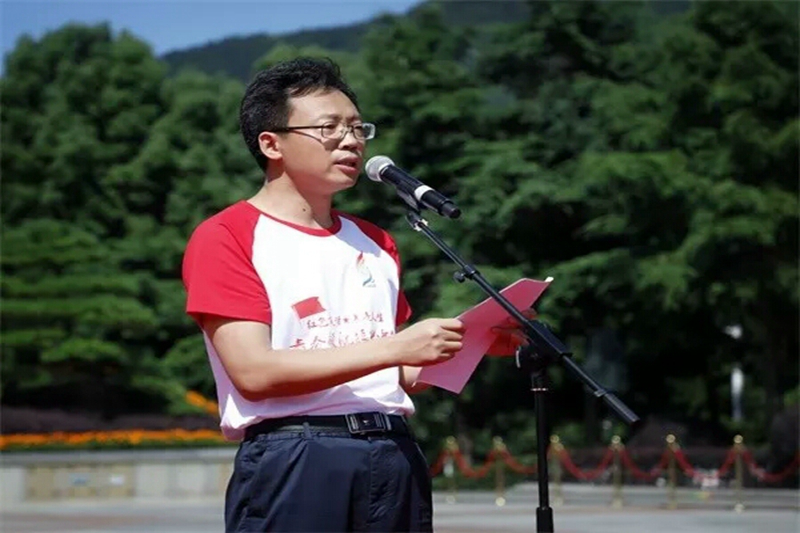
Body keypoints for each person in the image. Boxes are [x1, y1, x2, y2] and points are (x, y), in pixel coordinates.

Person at [181, 57, 525, 533]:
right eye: (329, 128)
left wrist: (475, 341)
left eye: (358, 128)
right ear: (271, 143)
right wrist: (396, 348)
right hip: (297, 454)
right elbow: (254, 372)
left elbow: (397, 374)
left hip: (393, 450)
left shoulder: (377, 241)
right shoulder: (228, 235)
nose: (351, 141)